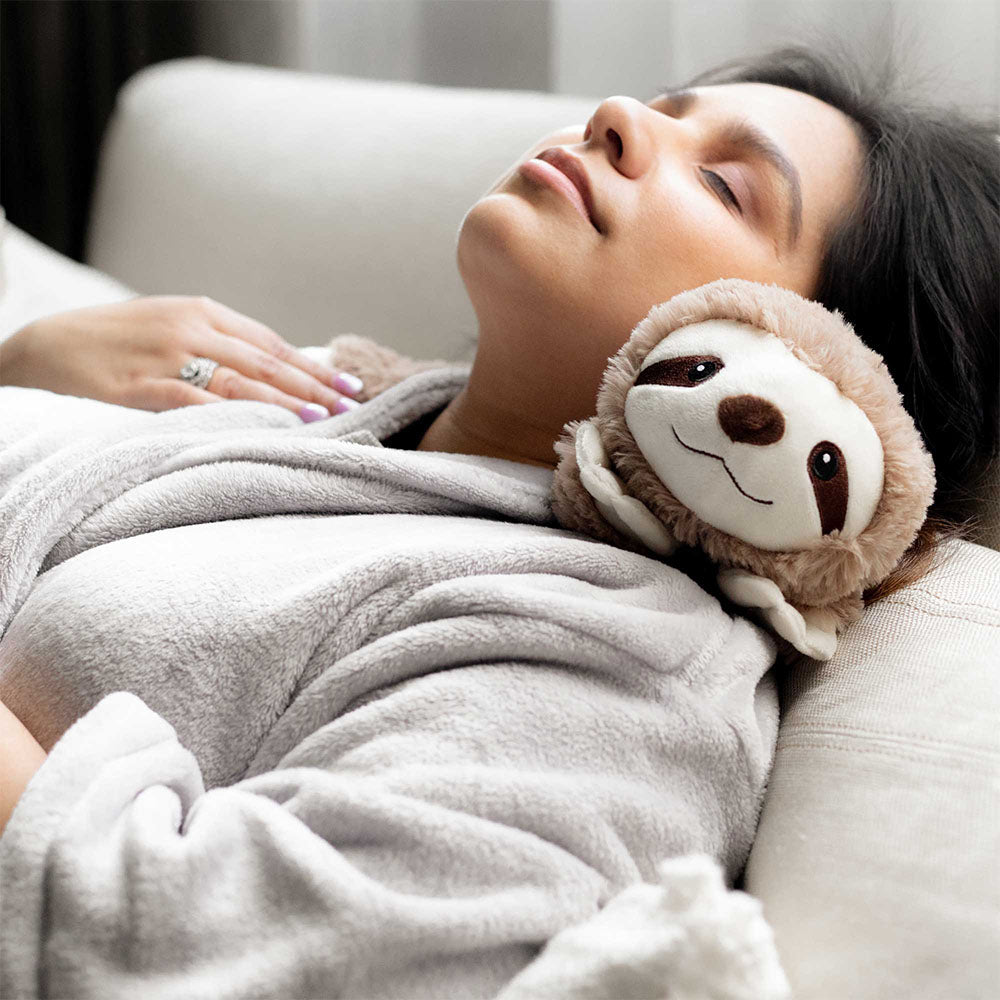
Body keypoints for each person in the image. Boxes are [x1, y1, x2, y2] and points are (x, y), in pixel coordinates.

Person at [0, 44, 996, 999]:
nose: (616, 119)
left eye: (725, 185)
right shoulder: (308, 404)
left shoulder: (613, 666)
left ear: (820, 384)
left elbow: (316, 964)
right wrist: (22, 367)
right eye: (662, 109)